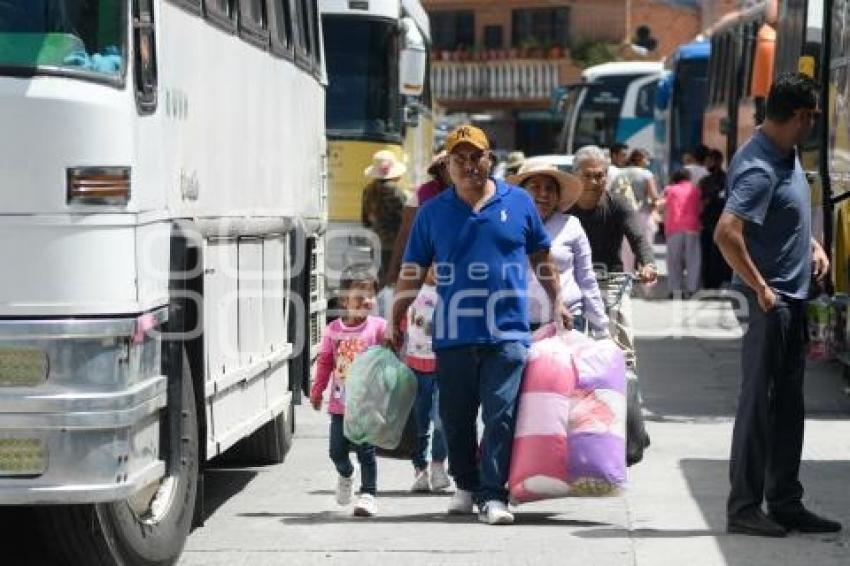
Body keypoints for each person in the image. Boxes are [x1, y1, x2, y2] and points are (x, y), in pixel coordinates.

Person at [392, 124, 570, 525]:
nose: (469, 165)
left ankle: (494, 495)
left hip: (508, 330)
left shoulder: (519, 202)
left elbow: (541, 256)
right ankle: (466, 485)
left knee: (500, 415)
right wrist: (396, 317)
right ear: (448, 165)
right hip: (453, 332)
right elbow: (413, 269)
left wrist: (557, 299)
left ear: (491, 160)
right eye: (460, 159)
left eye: (477, 157)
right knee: (454, 418)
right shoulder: (432, 213)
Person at [714, 73, 841, 537]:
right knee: (759, 404)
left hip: (792, 295)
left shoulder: (785, 156)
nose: (812, 127)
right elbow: (726, 233)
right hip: (770, 302)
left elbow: (780, 217)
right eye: (811, 118)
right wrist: (762, 288)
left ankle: (785, 501)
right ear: (799, 116)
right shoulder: (759, 166)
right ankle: (743, 507)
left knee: (787, 405)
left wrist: (811, 245)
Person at [566, 144, 657, 466]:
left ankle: (632, 420)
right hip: (573, 284)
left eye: (601, 175)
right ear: (576, 177)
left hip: (612, 282)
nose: (595, 181)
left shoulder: (617, 203)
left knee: (623, 350)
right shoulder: (565, 209)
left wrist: (647, 264)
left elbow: (639, 237)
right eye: (588, 175)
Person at [310, 267, 386, 517]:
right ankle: (346, 474)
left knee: (367, 450)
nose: (367, 301)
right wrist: (318, 390)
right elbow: (325, 363)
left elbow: (390, 358)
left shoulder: (378, 328)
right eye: (360, 295)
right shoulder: (334, 330)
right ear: (344, 300)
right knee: (336, 451)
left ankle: (368, 494)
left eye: (371, 295)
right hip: (340, 405)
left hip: (367, 405)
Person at [507, 161, 609, 334]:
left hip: (567, 319)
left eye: (550, 188)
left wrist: (601, 329)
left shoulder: (571, 225)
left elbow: (586, 279)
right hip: (518, 323)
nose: (543, 194)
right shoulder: (505, 225)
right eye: (535, 187)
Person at [404, 267, 451, 492]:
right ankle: (419, 469)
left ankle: (438, 465)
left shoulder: (451, 292)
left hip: (443, 367)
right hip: (415, 366)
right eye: (433, 265)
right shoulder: (412, 291)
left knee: (442, 419)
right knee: (419, 422)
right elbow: (401, 322)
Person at [385, 151, 450, 286]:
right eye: (446, 166)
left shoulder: (469, 194)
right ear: (439, 170)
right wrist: (393, 270)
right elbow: (404, 233)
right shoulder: (423, 194)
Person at [362, 150, 407, 286]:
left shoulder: (368, 190)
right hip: (396, 245)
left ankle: (381, 306)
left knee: (380, 282)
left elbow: (365, 221)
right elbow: (406, 220)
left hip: (376, 243)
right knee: (395, 283)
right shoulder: (397, 192)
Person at [663, 168, 702, 299]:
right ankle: (692, 289)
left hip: (674, 227)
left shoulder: (670, 190)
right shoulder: (695, 190)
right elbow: (700, 207)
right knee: (693, 260)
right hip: (692, 226)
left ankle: (675, 290)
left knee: (674, 261)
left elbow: (664, 206)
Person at [620, 148, 661, 273]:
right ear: (639, 159)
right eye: (646, 159)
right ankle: (647, 285)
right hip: (643, 214)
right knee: (644, 246)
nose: (648, 162)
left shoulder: (621, 173)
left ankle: (626, 280)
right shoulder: (646, 174)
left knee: (626, 251)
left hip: (625, 214)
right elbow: (654, 196)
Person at [700, 149, 732, 289]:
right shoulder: (707, 180)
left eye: (710, 160)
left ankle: (717, 281)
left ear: (718, 161)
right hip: (709, 223)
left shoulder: (725, 179)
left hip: (719, 221)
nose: (707, 163)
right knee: (710, 253)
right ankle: (712, 282)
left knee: (718, 254)